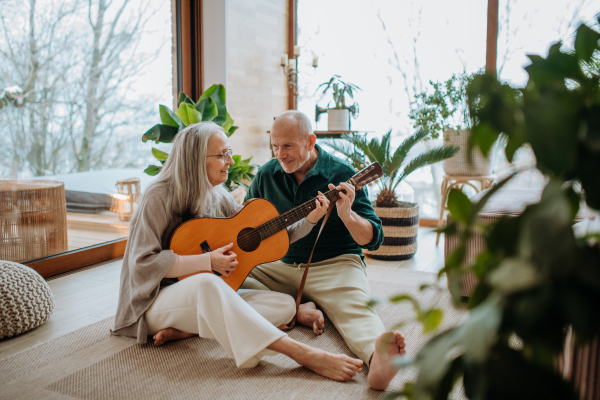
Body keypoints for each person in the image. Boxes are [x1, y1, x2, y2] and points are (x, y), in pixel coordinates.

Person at [112, 121, 363, 381]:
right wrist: (207, 261)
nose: (230, 161)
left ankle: (190, 330)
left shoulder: (218, 196)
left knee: (285, 305)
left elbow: (265, 238)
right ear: (195, 159)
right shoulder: (158, 196)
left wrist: (310, 219)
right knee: (207, 284)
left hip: (192, 303)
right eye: (222, 154)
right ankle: (303, 354)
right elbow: (142, 263)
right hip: (154, 302)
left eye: (229, 152)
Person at [241, 111, 407, 390]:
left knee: (355, 309)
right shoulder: (267, 173)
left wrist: (347, 215)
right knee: (230, 275)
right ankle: (298, 309)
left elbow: (374, 238)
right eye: (274, 146)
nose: (280, 154)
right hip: (279, 265)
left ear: (310, 141)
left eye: (288, 146)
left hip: (335, 264)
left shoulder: (342, 174)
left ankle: (378, 358)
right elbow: (246, 223)